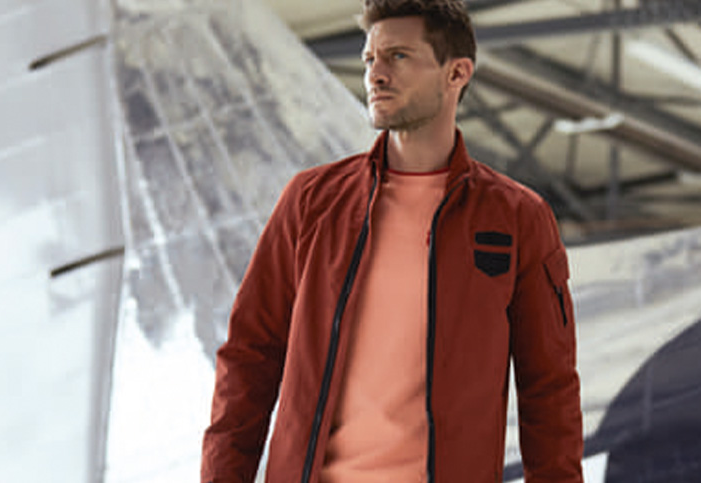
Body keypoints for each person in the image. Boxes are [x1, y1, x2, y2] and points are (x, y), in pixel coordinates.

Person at [200, 0, 583, 481]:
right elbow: (249, 358)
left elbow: (549, 391)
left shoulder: (517, 218)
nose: (375, 74)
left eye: (398, 56)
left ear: (457, 73)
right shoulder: (311, 202)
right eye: (369, 59)